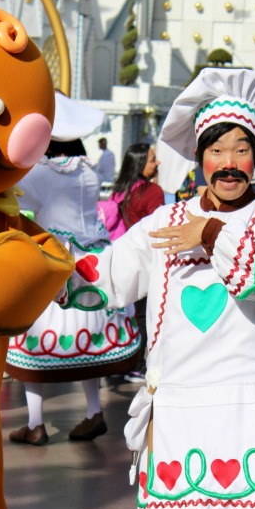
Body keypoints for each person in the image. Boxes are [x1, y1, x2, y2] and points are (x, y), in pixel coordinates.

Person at [60, 68, 255, 509]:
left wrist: (210, 233)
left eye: (242, 150)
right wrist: (45, 269)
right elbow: (104, 275)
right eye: (216, 150)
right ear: (199, 157)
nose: (229, 163)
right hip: (181, 415)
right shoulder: (166, 221)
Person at [6, 136, 140, 446]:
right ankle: (94, 412)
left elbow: (16, 202)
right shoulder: (90, 171)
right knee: (89, 345)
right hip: (90, 263)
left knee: (34, 347)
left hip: (54, 261)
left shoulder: (39, 173)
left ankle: (35, 423)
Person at [100, 142, 164, 382]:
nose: (157, 163)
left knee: (123, 312)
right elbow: (158, 227)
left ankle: (118, 361)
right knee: (144, 314)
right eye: (152, 159)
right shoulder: (152, 193)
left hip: (119, 256)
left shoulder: (119, 190)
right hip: (146, 259)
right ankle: (136, 364)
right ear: (139, 164)